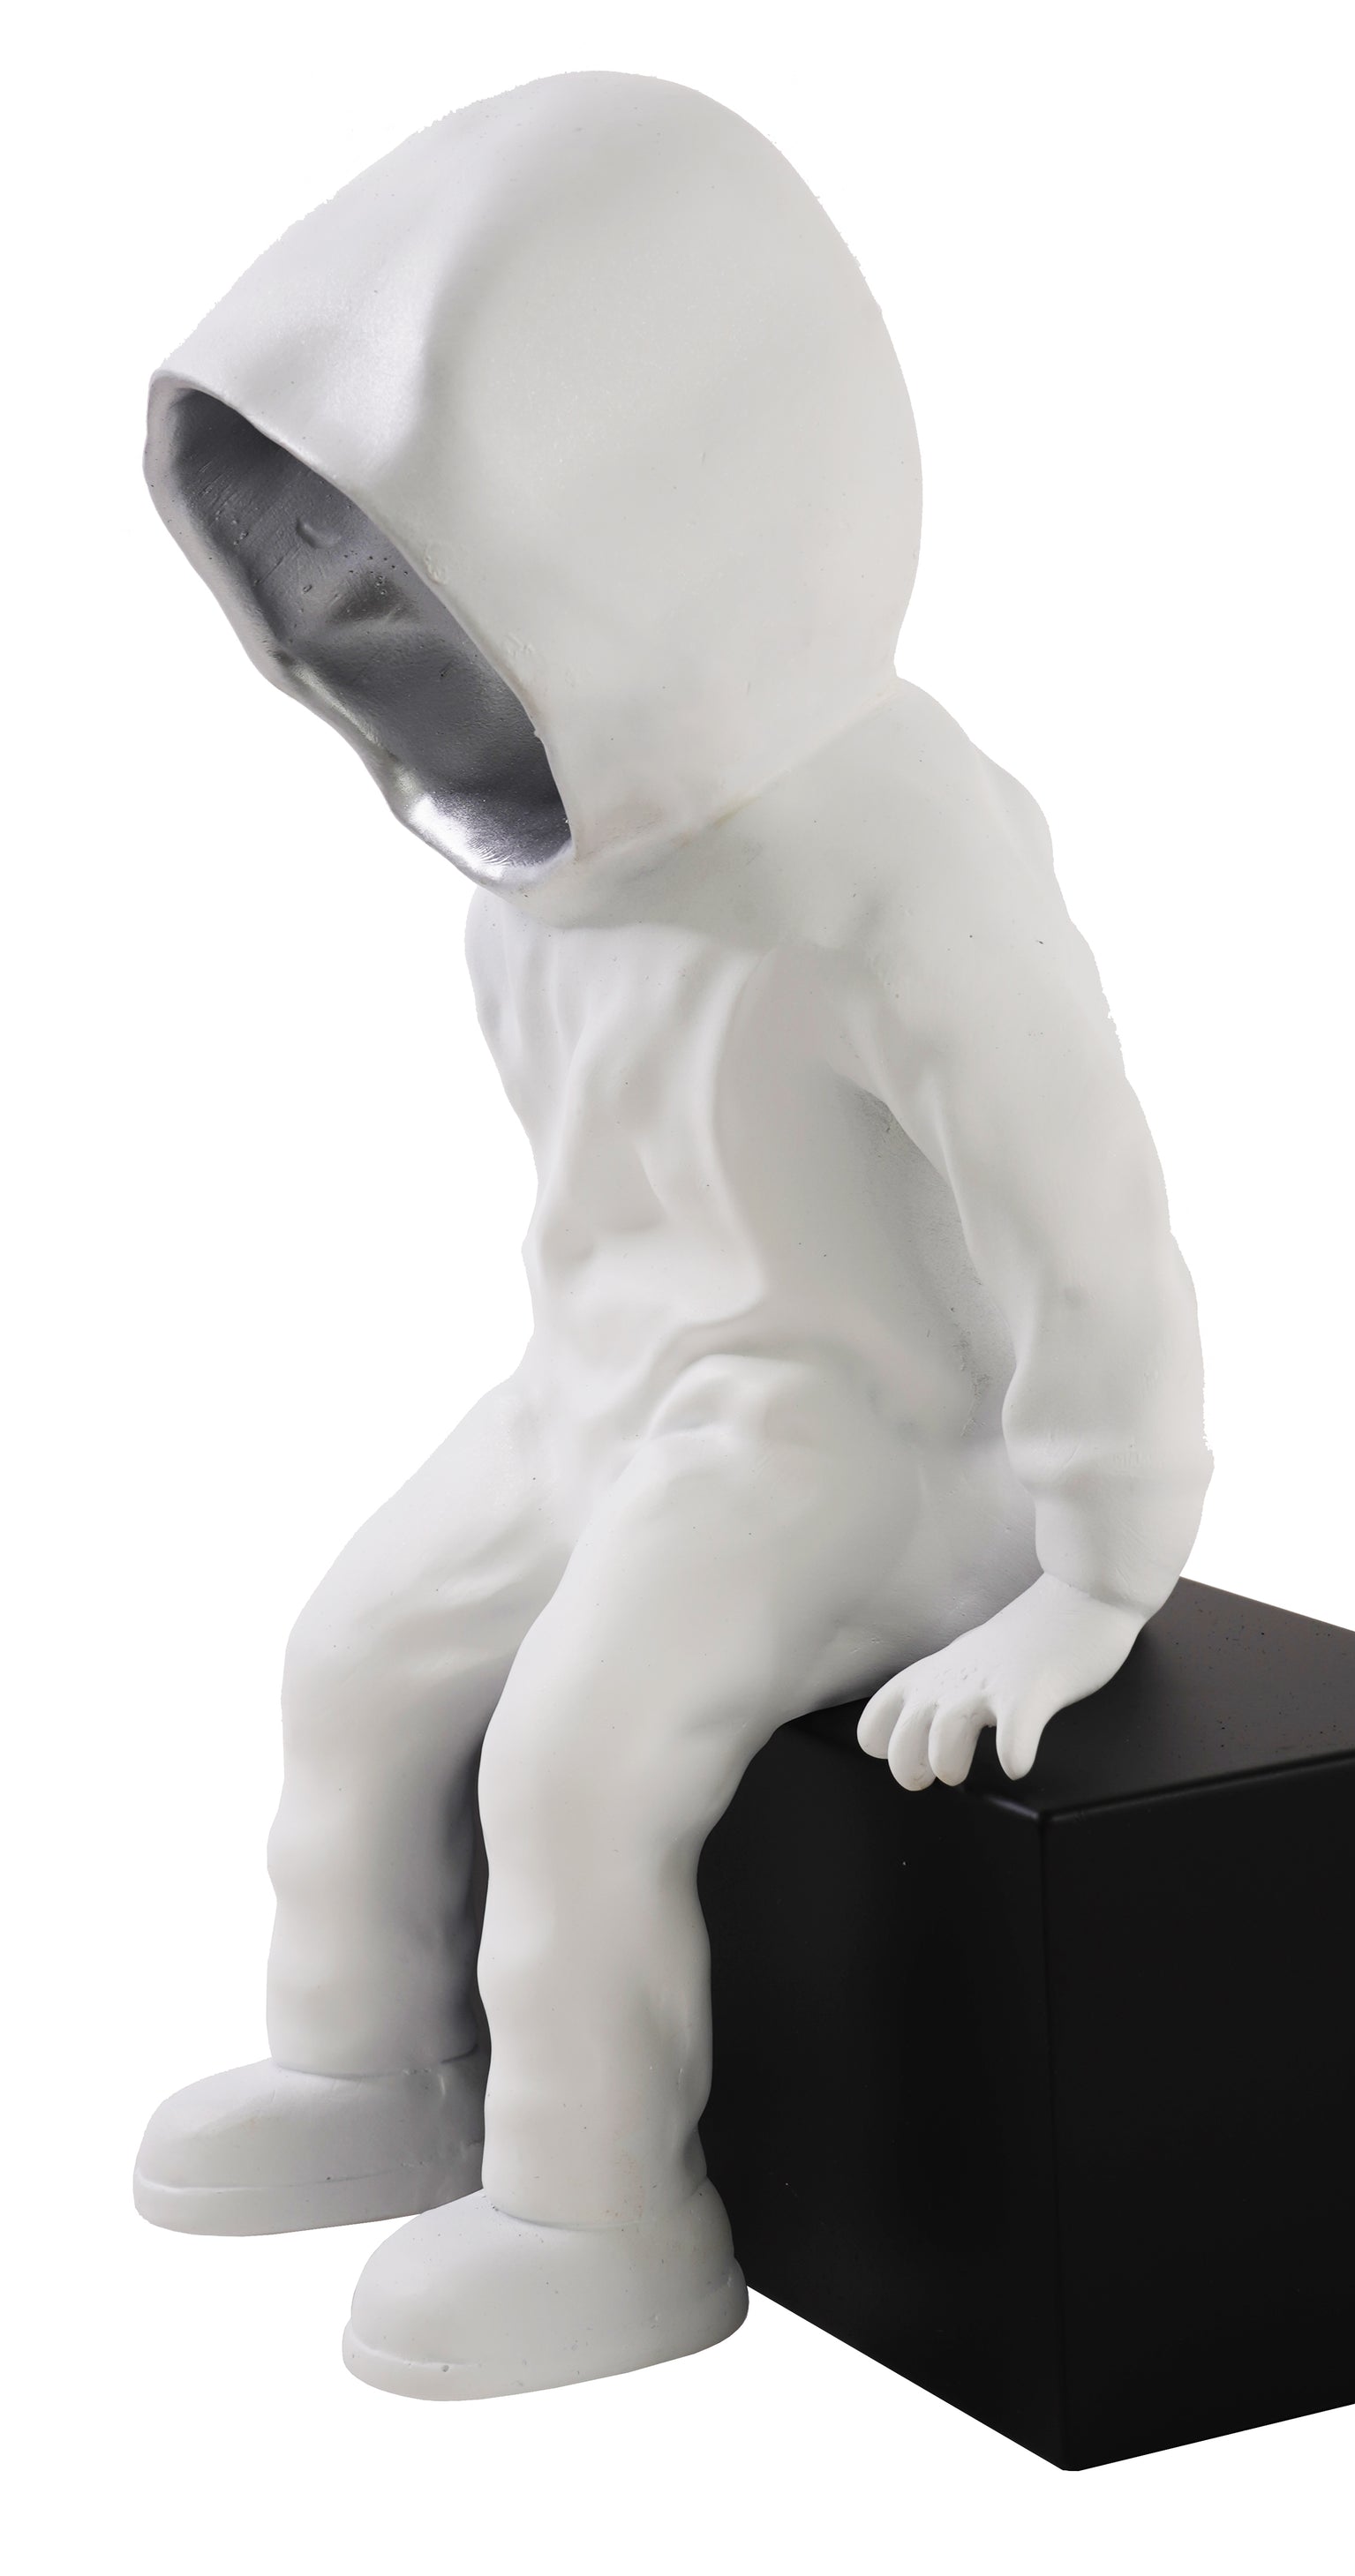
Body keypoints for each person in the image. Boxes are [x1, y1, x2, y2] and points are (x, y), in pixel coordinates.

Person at [132, 71, 1211, 2400]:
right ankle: (375, 2067)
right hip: (606, 1393)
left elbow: (1084, 1219)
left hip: (868, 1449)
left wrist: (1094, 1571)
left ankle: (603, 2206)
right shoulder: (532, 868)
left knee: (577, 1750)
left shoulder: (894, 866)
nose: (370, 627)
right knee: (356, 1658)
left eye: (438, 560)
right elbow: (616, 1231)